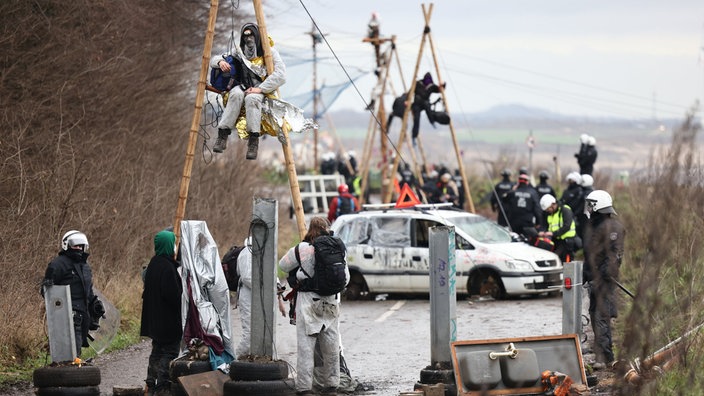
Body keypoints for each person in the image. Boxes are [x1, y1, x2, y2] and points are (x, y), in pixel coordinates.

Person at [279, 217, 350, 396]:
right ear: (327, 229)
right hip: (332, 301)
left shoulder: (302, 249)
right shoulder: (338, 247)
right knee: (331, 346)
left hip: (308, 302)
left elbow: (283, 265)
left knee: (306, 348)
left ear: (310, 229)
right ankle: (331, 386)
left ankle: (304, 388)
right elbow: (346, 278)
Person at [211, 22, 286, 160]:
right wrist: (220, 62)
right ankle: (222, 135)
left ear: (256, 36)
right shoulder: (239, 51)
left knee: (252, 98)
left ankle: (253, 140)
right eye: (245, 37)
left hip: (262, 90)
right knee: (235, 94)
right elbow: (215, 59)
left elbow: (281, 75)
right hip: (243, 87)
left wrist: (260, 89)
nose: (248, 39)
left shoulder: (269, 52)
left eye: (251, 36)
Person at [42, 230, 105, 358]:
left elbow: (88, 290)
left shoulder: (85, 266)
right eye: (75, 245)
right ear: (66, 245)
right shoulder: (57, 264)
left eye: (81, 246)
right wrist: (48, 284)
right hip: (65, 315)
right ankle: (68, 370)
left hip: (83, 314)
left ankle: (73, 369)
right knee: (71, 349)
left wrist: (94, 304)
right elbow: (46, 292)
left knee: (77, 347)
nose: (78, 248)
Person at [583, 190, 625, 370]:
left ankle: (607, 358)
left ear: (599, 206)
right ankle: (601, 354)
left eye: (592, 204)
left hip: (604, 280)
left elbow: (614, 255)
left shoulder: (612, 227)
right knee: (594, 314)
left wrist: (604, 275)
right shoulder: (596, 225)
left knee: (601, 316)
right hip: (594, 278)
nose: (589, 208)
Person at [140, 230, 183, 395]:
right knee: (170, 352)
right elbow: (173, 296)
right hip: (168, 321)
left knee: (156, 351)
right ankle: (163, 387)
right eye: (173, 244)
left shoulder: (153, 264)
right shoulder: (168, 267)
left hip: (154, 320)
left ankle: (150, 385)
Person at [387, 72, 444, 145]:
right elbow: (410, 92)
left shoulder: (431, 86)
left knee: (427, 107)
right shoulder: (418, 83)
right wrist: (407, 100)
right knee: (416, 119)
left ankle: (432, 121)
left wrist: (442, 85)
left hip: (425, 103)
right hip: (417, 105)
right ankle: (414, 136)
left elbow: (440, 90)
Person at [538, 194, 578, 263]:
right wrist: (542, 231)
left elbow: (567, 226)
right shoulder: (549, 213)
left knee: (567, 264)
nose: (548, 211)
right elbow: (544, 224)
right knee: (555, 260)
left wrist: (553, 233)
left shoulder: (565, 210)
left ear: (553, 204)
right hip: (556, 240)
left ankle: (568, 274)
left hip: (567, 241)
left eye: (548, 209)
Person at [576, 174, 594, 239]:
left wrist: (575, 214)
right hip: (586, 219)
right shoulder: (589, 192)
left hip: (584, 219)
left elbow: (584, 208)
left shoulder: (586, 194)